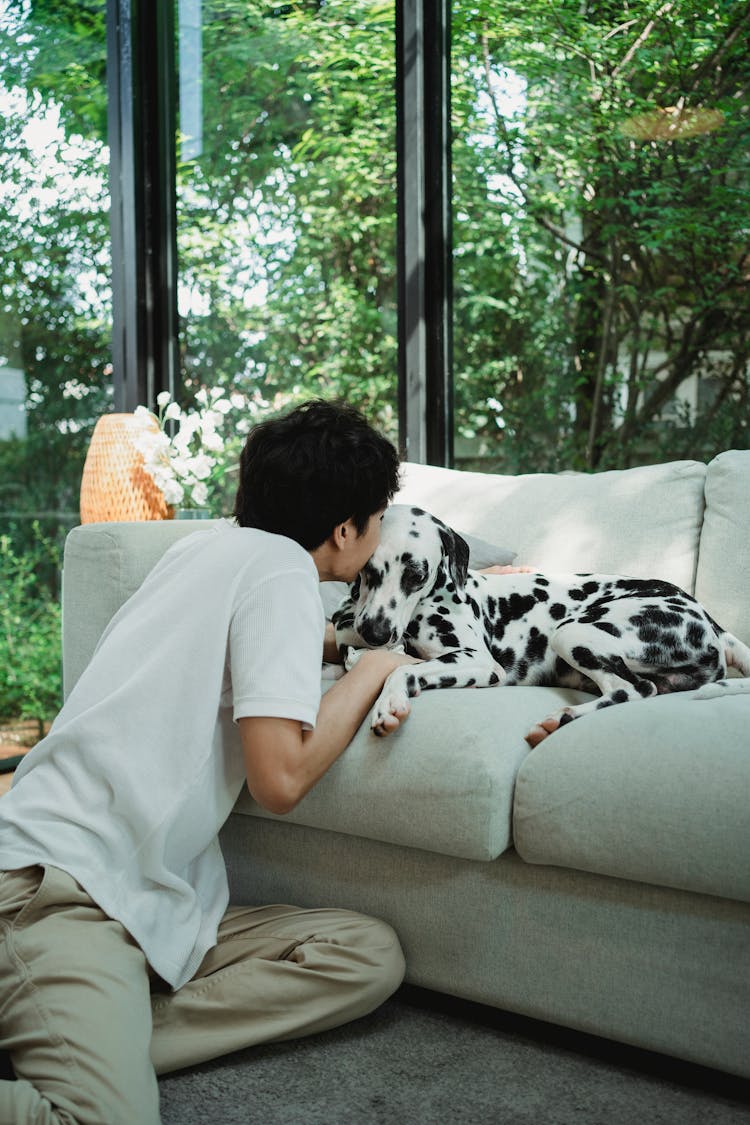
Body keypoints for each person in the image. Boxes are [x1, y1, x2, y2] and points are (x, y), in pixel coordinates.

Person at [0, 399, 421, 1125]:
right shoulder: (283, 570)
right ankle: (83, 1043)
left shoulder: (207, 551)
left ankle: (91, 1030)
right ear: (345, 528)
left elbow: (288, 636)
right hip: (61, 890)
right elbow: (279, 778)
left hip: (143, 900)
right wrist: (373, 668)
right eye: (378, 516)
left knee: (364, 952)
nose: (380, 533)